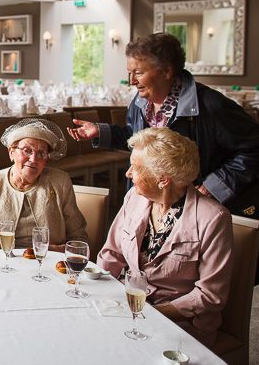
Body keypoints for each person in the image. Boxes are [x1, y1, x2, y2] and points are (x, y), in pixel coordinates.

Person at [67, 32, 259, 281]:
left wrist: (212, 186)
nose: (131, 80)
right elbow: (142, 142)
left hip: (196, 210)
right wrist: (101, 132)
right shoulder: (140, 104)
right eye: (129, 72)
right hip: (155, 205)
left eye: (139, 72)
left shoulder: (210, 106)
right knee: (152, 273)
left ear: (166, 71)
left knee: (194, 281)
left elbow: (258, 147)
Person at [97, 128, 233, 346]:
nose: (128, 173)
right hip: (128, 308)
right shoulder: (134, 197)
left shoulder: (213, 219)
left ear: (162, 180)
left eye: (136, 168)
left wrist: (150, 313)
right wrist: (99, 297)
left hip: (181, 324)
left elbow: (210, 295)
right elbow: (111, 254)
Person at [0, 118, 88, 251]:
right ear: (11, 153)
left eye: (41, 153)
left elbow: (79, 238)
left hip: (48, 260)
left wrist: (60, 251)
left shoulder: (60, 181)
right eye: (27, 150)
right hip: (3, 261)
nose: (34, 159)